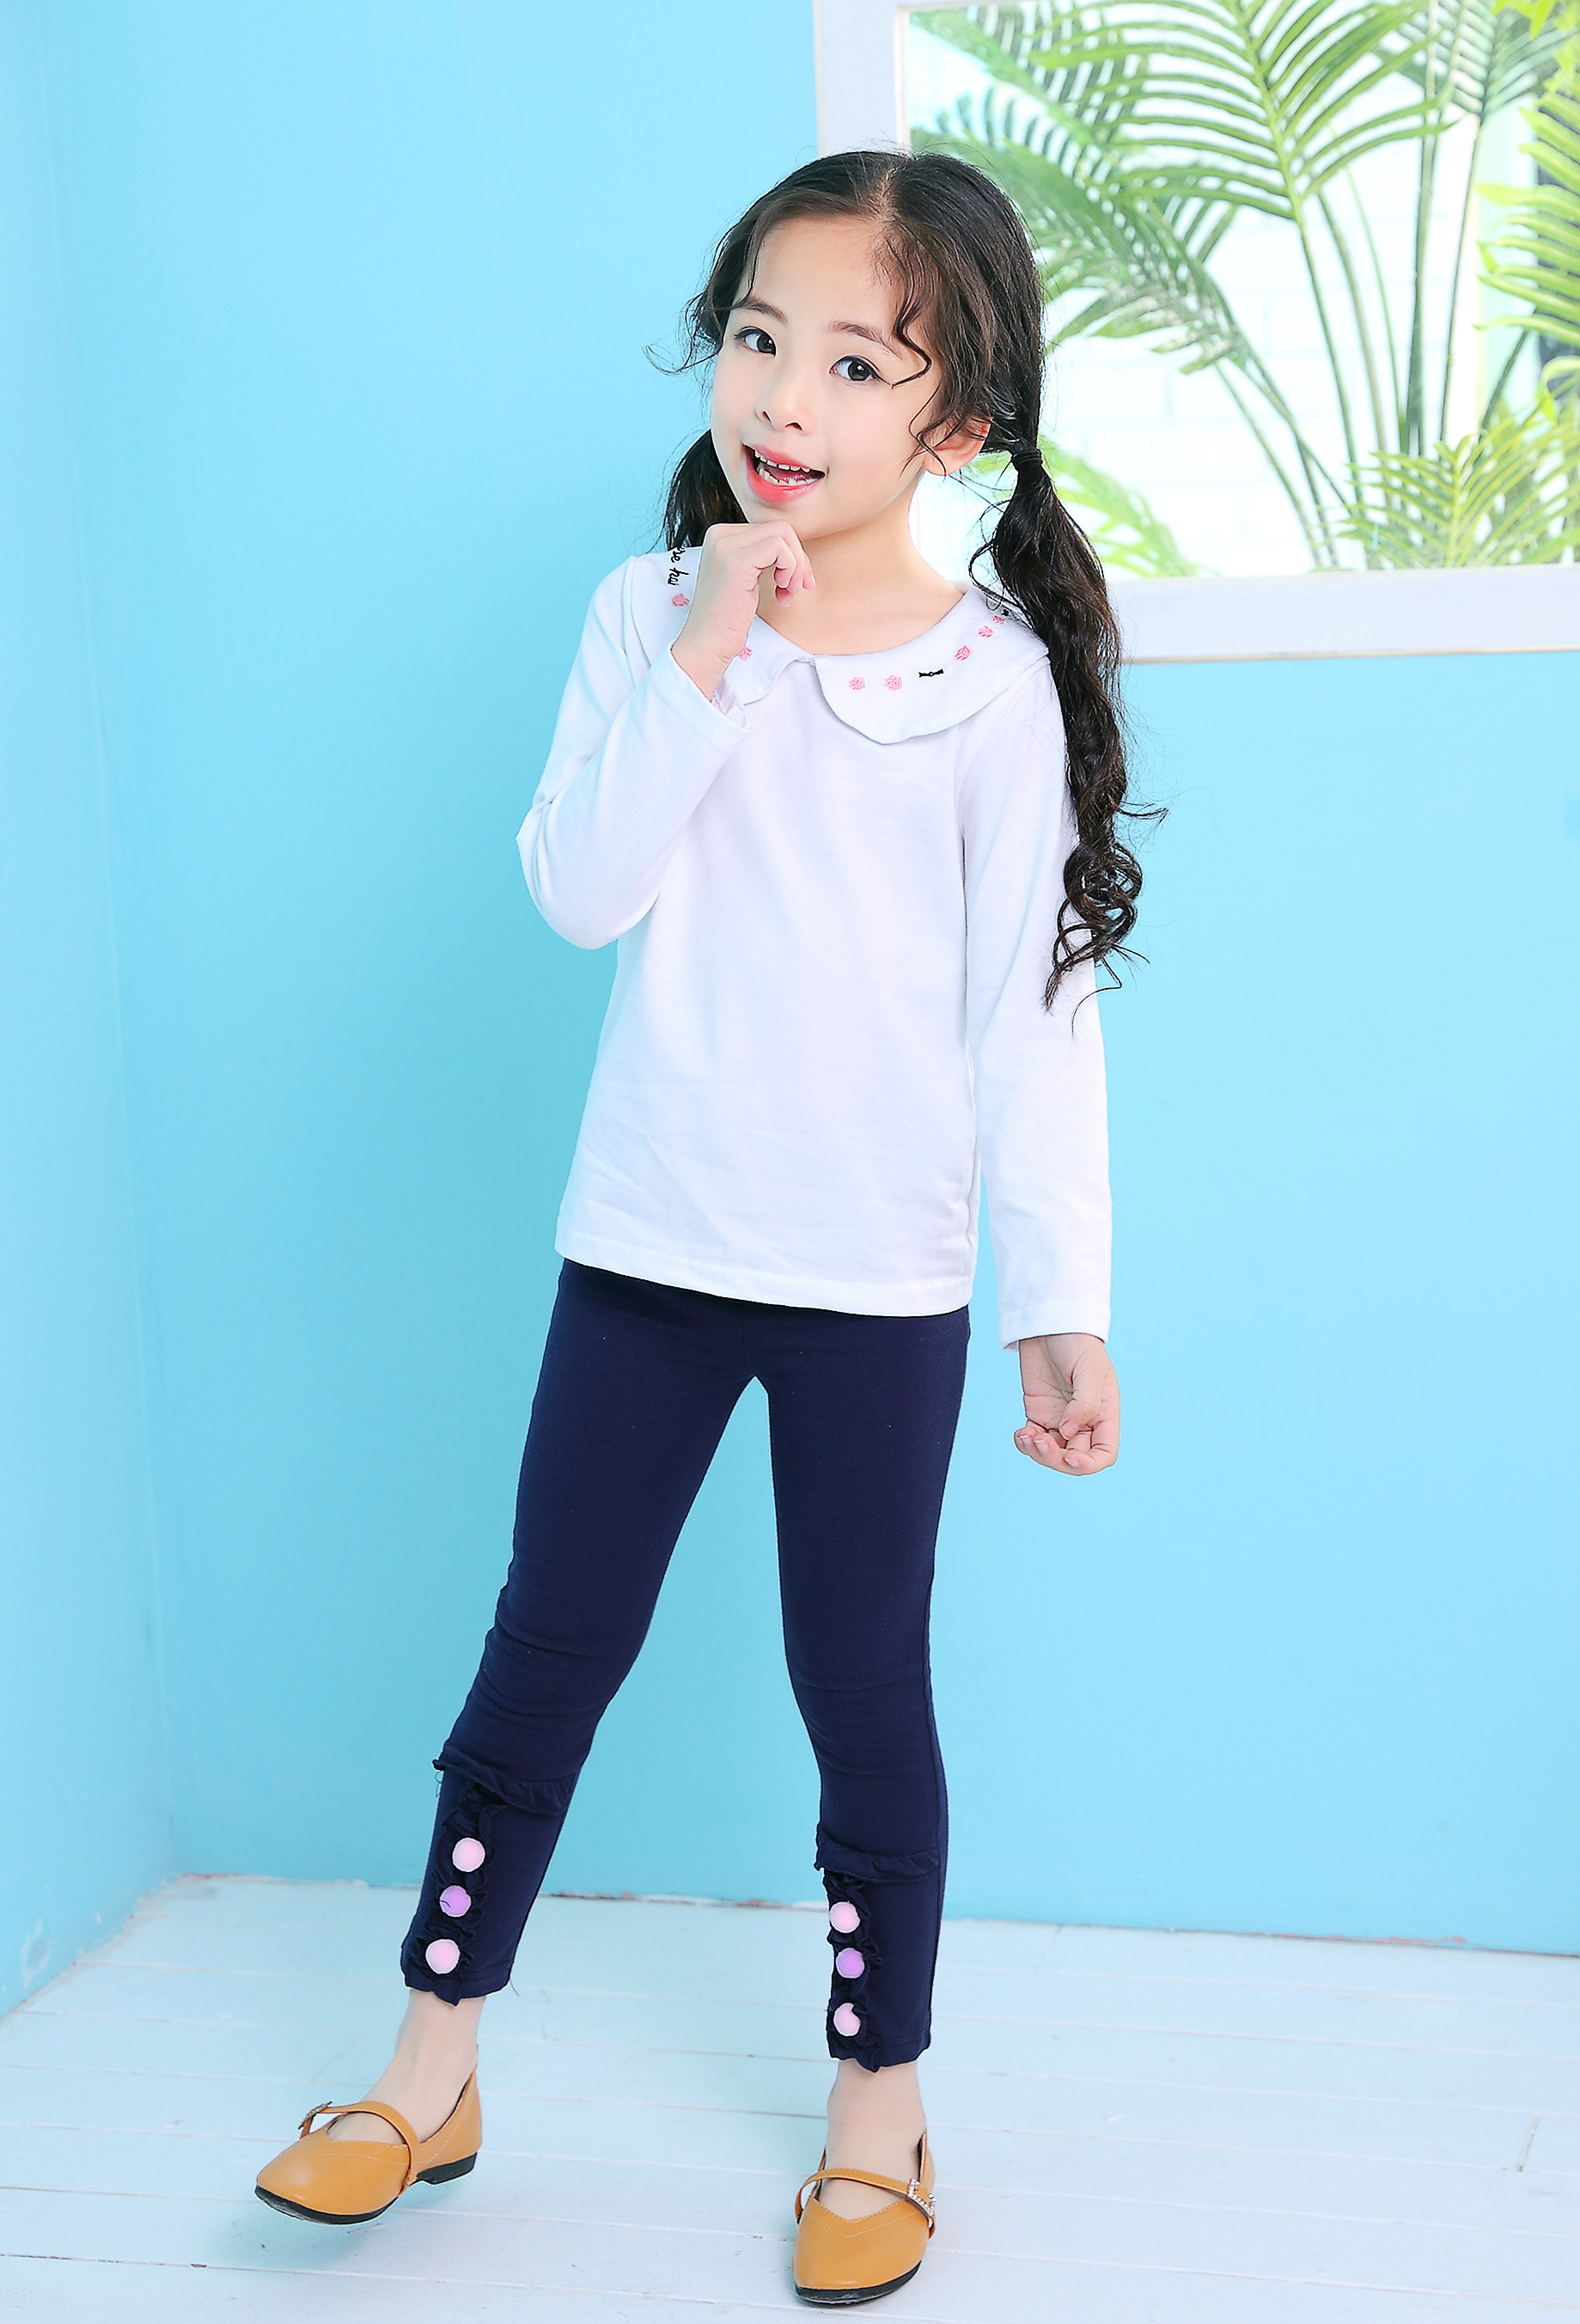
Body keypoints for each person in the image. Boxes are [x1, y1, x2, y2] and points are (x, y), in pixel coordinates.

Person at [254, 146, 1145, 2306]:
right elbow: (580, 893)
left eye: (851, 363)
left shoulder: (988, 679)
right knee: (543, 1653)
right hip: (646, 1249)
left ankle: (878, 2110)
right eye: (756, 338)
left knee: (860, 1685)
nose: (782, 396)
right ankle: (429, 2067)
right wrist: (709, 655)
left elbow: (1029, 1017)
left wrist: (1060, 1303)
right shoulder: (643, 613)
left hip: (874, 1285)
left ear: (957, 423)